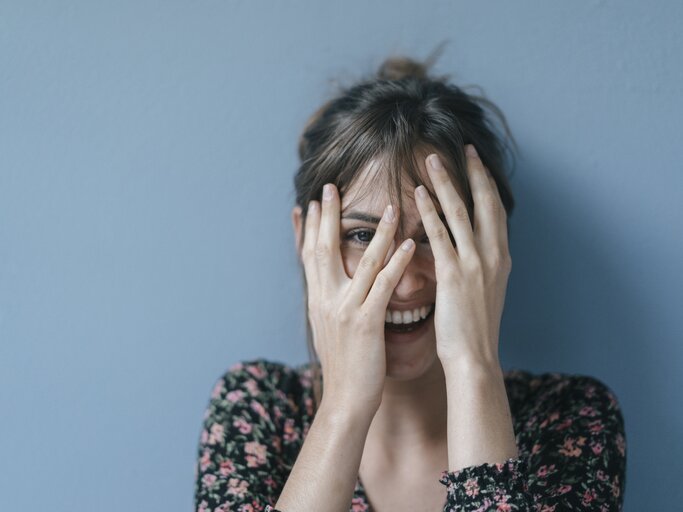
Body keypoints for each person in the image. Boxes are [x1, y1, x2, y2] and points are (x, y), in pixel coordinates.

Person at [193, 55, 627, 512]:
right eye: (363, 236)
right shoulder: (256, 410)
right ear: (306, 240)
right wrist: (344, 406)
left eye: (440, 234)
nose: (403, 286)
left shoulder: (570, 417)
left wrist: (472, 366)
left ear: (491, 247)